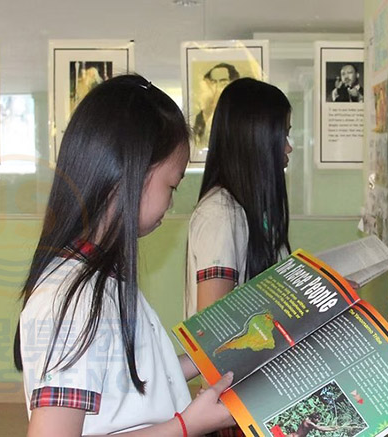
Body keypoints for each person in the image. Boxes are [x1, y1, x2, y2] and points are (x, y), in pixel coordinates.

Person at [13, 74, 236, 437]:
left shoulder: (100, 278)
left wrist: (203, 361)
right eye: (172, 185)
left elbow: (125, 384)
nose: (171, 201)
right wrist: (186, 425)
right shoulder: (71, 299)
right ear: (131, 174)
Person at [185, 77, 293, 318]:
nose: (288, 148)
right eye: (282, 136)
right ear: (257, 141)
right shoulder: (220, 214)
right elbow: (215, 327)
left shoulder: (249, 210)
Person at [192, 63, 241, 153]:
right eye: (213, 82)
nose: (217, 88)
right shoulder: (201, 118)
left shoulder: (240, 119)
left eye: (223, 82)